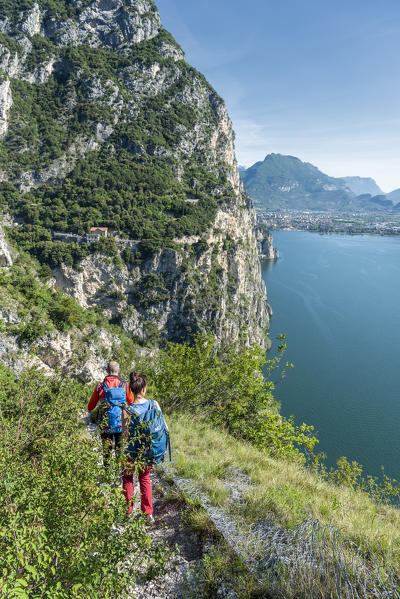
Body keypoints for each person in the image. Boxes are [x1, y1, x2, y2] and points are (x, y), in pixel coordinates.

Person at [122, 373, 168, 522]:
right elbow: (164, 427)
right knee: (145, 478)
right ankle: (147, 513)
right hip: (147, 451)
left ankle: (127, 512)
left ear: (132, 390)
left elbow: (125, 434)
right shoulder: (154, 404)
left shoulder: (127, 410)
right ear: (144, 389)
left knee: (128, 477)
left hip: (132, 450)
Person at [88, 361, 134, 469]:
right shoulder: (125, 386)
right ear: (118, 371)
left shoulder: (100, 386)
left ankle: (107, 474)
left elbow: (90, 407)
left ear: (107, 371)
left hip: (105, 424)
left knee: (106, 451)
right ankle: (119, 475)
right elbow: (132, 403)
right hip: (121, 424)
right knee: (120, 450)